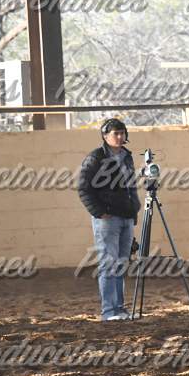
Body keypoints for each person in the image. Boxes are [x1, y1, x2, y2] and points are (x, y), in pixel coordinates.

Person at [77, 118, 141, 321]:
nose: (120, 137)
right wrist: (99, 212)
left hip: (126, 217)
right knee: (108, 263)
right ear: (105, 136)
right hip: (107, 219)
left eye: (122, 133)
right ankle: (109, 311)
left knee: (121, 264)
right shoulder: (95, 158)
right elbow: (83, 188)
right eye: (116, 133)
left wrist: (134, 210)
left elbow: (131, 187)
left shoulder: (127, 157)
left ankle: (119, 309)